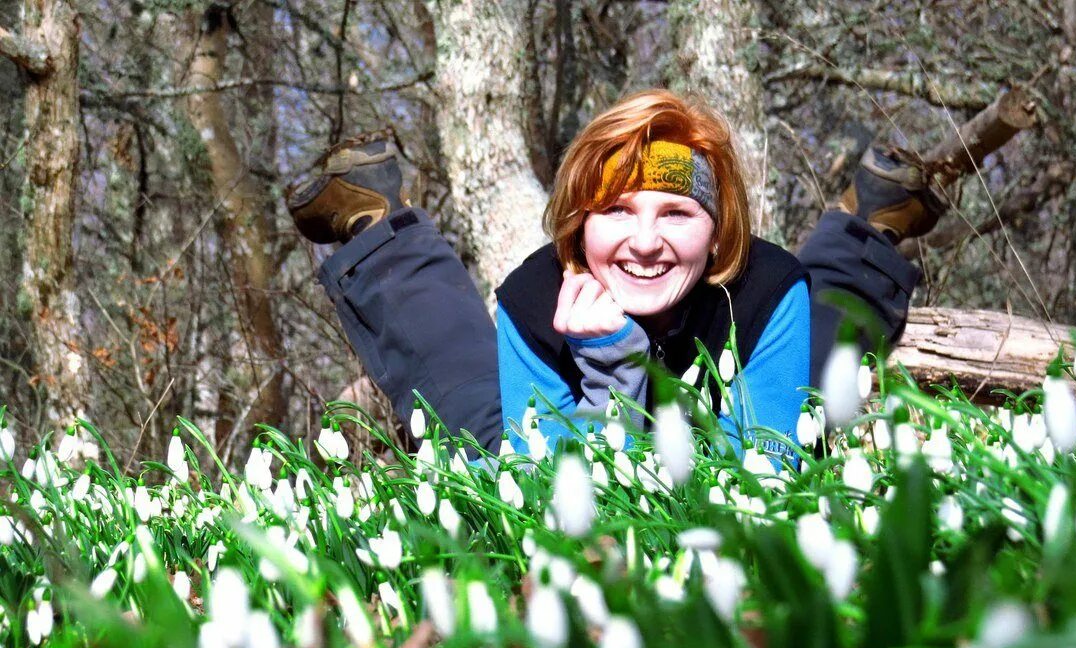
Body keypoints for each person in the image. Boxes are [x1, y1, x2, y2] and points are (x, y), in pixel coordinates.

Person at [285, 90, 940, 460]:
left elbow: (765, 476)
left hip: (733, 409)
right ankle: (373, 216)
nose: (646, 242)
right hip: (586, 431)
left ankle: (870, 226)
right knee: (483, 440)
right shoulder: (533, 303)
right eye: (618, 211)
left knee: (821, 380)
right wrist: (611, 371)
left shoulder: (768, 291)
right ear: (578, 222)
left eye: (678, 212)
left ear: (718, 230)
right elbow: (557, 503)